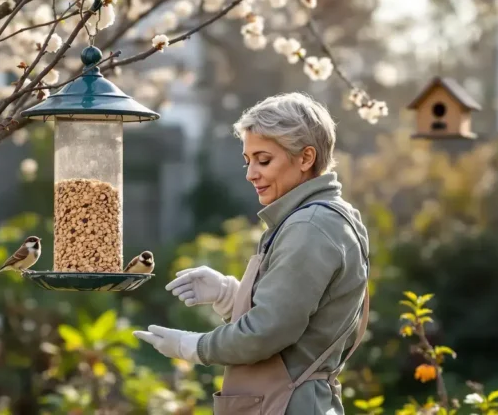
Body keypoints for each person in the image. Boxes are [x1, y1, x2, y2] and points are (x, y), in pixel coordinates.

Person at [133, 92, 370, 415]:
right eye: (248, 161)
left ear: (305, 158)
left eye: (263, 160)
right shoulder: (323, 217)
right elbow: (297, 317)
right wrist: (229, 295)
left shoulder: (310, 225)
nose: (250, 174)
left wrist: (191, 346)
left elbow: (268, 333)